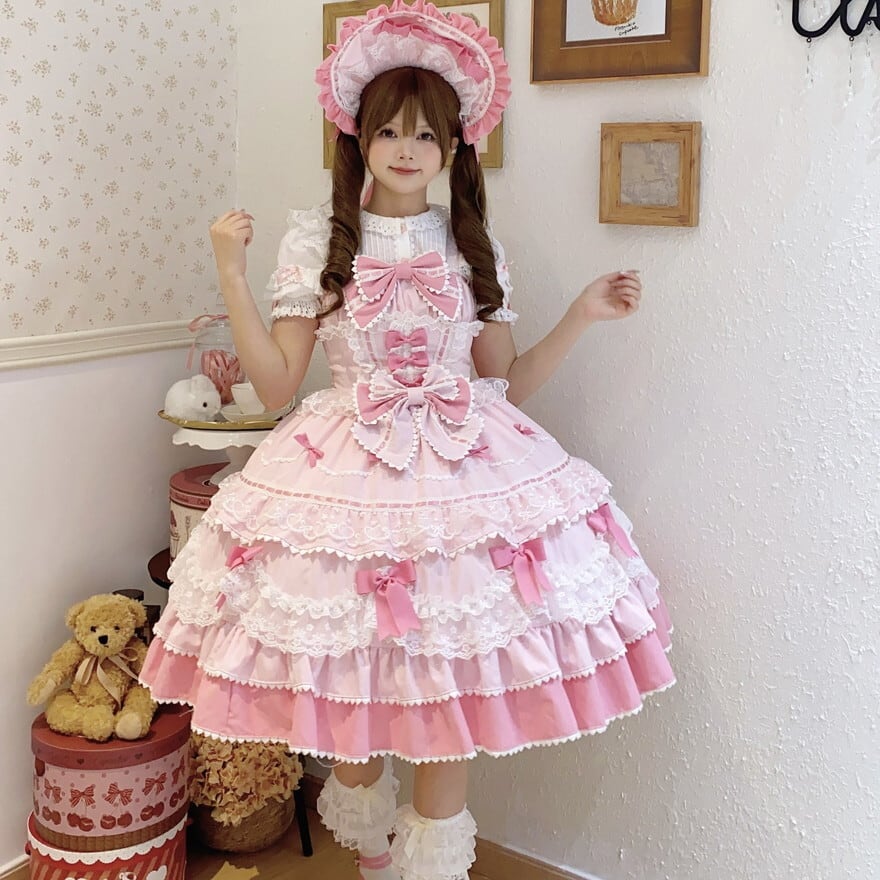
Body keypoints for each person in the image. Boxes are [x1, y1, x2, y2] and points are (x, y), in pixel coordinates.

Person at [140, 2, 676, 878]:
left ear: (455, 146)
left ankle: (430, 867)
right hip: (346, 469)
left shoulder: (472, 243)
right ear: (359, 136)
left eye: (426, 133)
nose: (406, 148)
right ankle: (375, 858)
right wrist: (231, 273)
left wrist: (582, 314)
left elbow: (505, 382)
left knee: (445, 684)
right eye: (388, 129)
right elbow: (276, 386)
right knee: (354, 689)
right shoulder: (319, 238)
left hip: (462, 465)